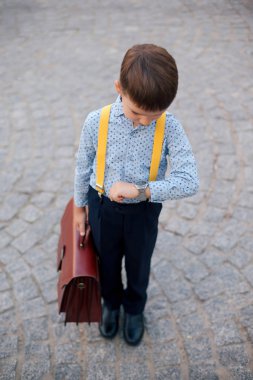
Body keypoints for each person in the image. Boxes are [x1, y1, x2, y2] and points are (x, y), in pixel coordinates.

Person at [74, 44, 199, 346]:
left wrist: (143, 191)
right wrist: (80, 207)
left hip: (143, 212)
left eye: (153, 116)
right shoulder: (97, 121)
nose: (144, 121)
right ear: (119, 88)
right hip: (102, 206)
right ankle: (111, 303)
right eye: (137, 112)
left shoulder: (170, 127)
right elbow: (82, 164)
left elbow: (189, 181)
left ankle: (134, 309)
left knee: (139, 263)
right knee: (107, 260)